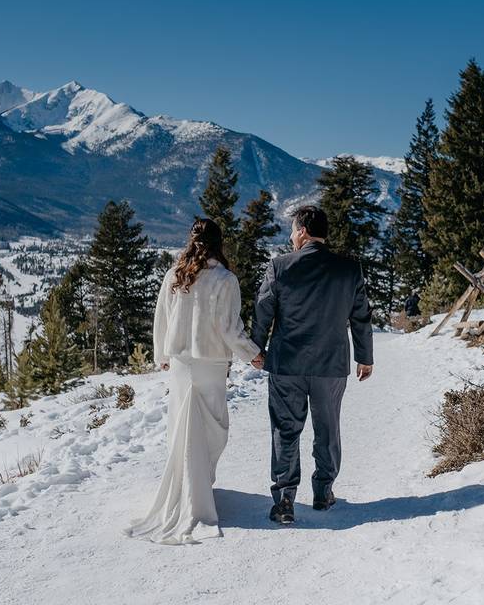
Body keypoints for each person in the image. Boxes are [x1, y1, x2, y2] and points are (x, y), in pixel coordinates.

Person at [125, 218, 261, 545]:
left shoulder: (175, 275)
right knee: (214, 430)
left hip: (181, 364)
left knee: (181, 429)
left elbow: (161, 317)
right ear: (219, 242)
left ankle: (188, 488)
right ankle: (198, 490)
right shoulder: (225, 280)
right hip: (211, 363)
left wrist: (162, 354)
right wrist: (252, 353)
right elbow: (230, 329)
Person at [251, 205, 374, 525]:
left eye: (292, 230)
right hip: (330, 365)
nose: (291, 236)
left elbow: (263, 311)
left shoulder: (279, 267)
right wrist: (365, 356)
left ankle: (285, 499)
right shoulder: (349, 269)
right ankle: (323, 492)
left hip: (286, 364)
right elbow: (360, 316)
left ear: (303, 231)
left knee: (285, 430)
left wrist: (256, 349)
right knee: (328, 429)